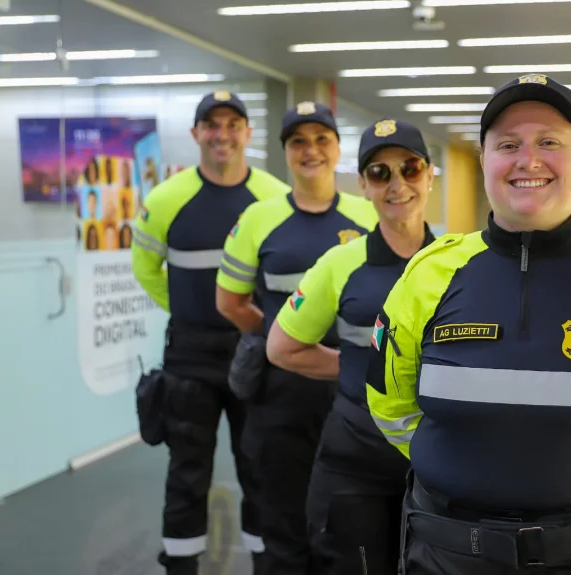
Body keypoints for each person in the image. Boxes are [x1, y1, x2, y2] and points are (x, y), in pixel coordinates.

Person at [365, 74, 571, 575]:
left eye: (549, 142)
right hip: (450, 553)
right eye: (508, 145)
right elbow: (390, 405)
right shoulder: (428, 276)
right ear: (483, 161)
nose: (529, 160)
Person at [266, 118, 436, 575]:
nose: (397, 184)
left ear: (429, 175)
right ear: (362, 185)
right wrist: (357, 369)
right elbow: (282, 348)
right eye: (380, 173)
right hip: (354, 465)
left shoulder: (460, 263)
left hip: (439, 466)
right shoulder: (340, 263)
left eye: (410, 168)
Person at [215, 101, 379, 575]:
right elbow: (230, 302)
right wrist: (283, 340)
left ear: (338, 147)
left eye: (321, 139)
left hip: (351, 399)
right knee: (284, 528)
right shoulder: (258, 218)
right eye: (298, 142)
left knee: (350, 527)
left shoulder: (368, 216)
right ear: (285, 152)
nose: (311, 151)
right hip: (278, 399)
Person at [131, 90, 291, 575]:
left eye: (232, 125)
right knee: (187, 473)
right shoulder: (165, 199)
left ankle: (268, 562)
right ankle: (181, 567)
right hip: (189, 356)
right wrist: (187, 310)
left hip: (255, 351)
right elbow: (146, 270)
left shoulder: (272, 196)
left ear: (246, 133)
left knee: (261, 468)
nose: (223, 135)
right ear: (196, 134)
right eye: (212, 125)